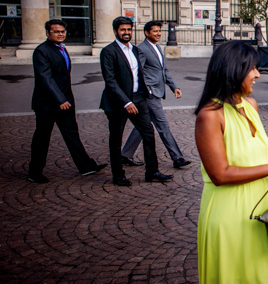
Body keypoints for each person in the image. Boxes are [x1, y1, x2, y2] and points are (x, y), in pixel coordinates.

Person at [194, 40, 268, 284]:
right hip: (230, 213)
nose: (257, 74)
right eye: (252, 68)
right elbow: (220, 174)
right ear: (233, 70)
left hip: (263, 209)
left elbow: (254, 151)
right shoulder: (210, 115)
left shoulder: (250, 105)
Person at [28, 19, 107, 183]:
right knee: (42, 138)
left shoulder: (62, 48)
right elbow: (45, 79)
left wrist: (66, 99)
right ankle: (34, 173)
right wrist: (60, 99)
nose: (60, 34)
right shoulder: (41, 51)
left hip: (66, 102)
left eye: (62, 31)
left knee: (72, 135)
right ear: (48, 33)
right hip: (47, 104)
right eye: (56, 31)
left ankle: (86, 166)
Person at [100, 17, 172, 186]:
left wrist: (146, 92)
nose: (126, 33)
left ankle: (152, 171)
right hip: (118, 103)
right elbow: (110, 81)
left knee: (148, 133)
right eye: (122, 30)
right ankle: (118, 175)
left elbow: (139, 74)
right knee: (116, 139)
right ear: (115, 31)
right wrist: (126, 102)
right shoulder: (108, 51)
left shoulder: (134, 50)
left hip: (138, 98)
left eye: (128, 29)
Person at [120, 21, 191, 169]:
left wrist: (174, 86)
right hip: (150, 94)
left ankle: (125, 154)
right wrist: (147, 90)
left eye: (159, 31)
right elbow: (137, 72)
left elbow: (163, 70)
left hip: (155, 92)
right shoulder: (142, 49)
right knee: (163, 125)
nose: (158, 33)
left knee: (143, 124)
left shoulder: (156, 47)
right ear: (147, 33)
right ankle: (177, 158)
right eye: (155, 31)